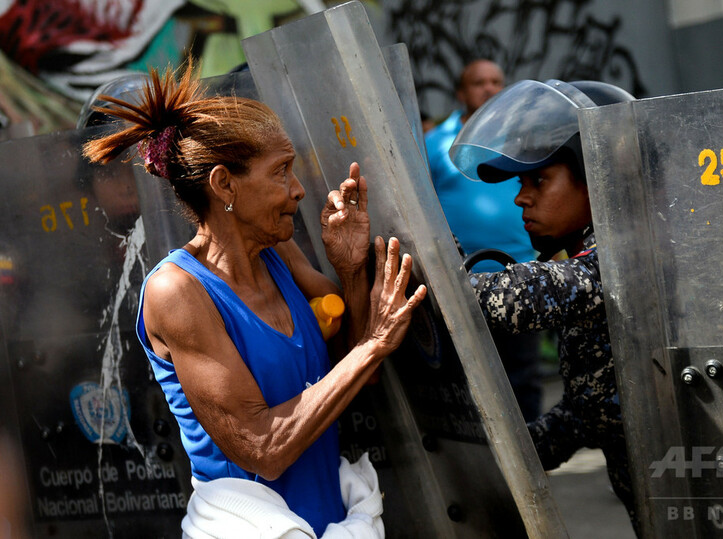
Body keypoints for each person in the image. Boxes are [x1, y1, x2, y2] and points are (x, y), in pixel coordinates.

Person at [83, 64, 426, 537]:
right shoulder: (176, 292)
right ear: (224, 184)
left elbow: (353, 376)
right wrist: (375, 342)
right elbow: (263, 449)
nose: (298, 189)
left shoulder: (277, 251)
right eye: (281, 171)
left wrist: (350, 270)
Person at [449, 79, 639, 533]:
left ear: (598, 176)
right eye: (522, 182)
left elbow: (507, 300)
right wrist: (504, 456)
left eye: (539, 180)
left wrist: (430, 274)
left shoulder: (625, 260)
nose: (521, 196)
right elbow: (589, 409)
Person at [425, 59, 537, 272]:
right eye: (479, 83)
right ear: (461, 93)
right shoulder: (434, 142)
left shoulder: (522, 139)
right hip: (458, 271)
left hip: (523, 267)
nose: (489, 88)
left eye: (496, 82)